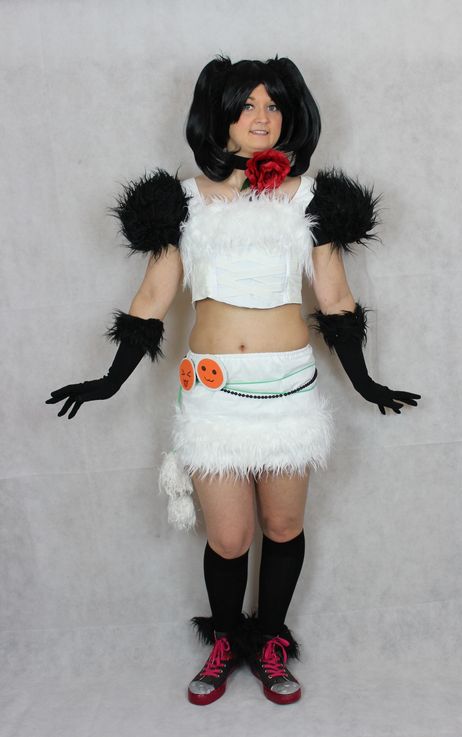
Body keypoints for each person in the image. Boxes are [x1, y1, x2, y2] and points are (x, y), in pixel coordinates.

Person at [45, 54, 421, 706]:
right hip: (215, 395)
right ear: (219, 117)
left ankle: (270, 640)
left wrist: (365, 382)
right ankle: (225, 639)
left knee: (282, 525)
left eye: (272, 105)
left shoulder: (310, 199)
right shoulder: (182, 203)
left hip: (289, 392)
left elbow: (336, 298)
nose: (261, 117)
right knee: (229, 537)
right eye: (247, 105)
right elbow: (153, 297)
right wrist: (109, 379)